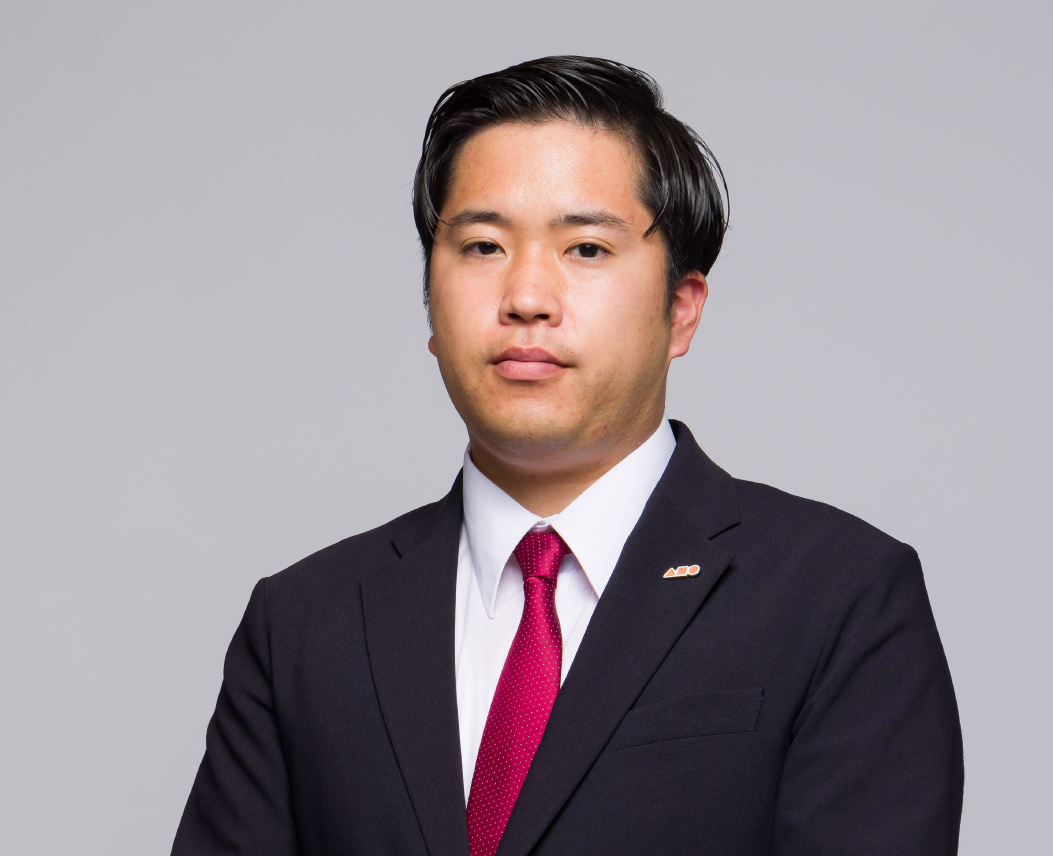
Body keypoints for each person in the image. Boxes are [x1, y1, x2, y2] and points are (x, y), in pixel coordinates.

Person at [172, 56, 963, 856]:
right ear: (430, 303)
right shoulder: (305, 622)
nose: (525, 298)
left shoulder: (840, 596)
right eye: (483, 246)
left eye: (585, 249)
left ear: (681, 310)